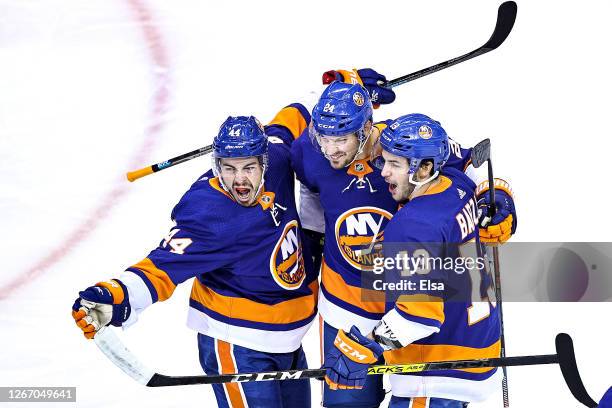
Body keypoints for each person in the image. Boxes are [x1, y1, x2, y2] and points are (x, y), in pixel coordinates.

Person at [291, 69, 516, 407]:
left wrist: (497, 197)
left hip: (407, 306)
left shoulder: (404, 145)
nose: (331, 150)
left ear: (366, 129)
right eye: (323, 137)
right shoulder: (309, 152)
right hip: (348, 307)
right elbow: (310, 195)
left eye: (342, 139)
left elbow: (470, 164)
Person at [72, 105, 318, 408]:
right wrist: (117, 293)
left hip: (290, 335)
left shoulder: (279, 159)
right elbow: (163, 265)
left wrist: (346, 89)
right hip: (238, 341)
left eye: (248, 168)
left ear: (264, 162)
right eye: (229, 168)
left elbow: (289, 121)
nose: (239, 180)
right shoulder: (208, 214)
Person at [323, 114, 505, 407]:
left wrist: (365, 346)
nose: (383, 173)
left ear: (424, 170)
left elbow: (418, 317)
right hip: (475, 349)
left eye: (395, 164)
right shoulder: (457, 187)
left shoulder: (413, 225)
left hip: (434, 373)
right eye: (384, 161)